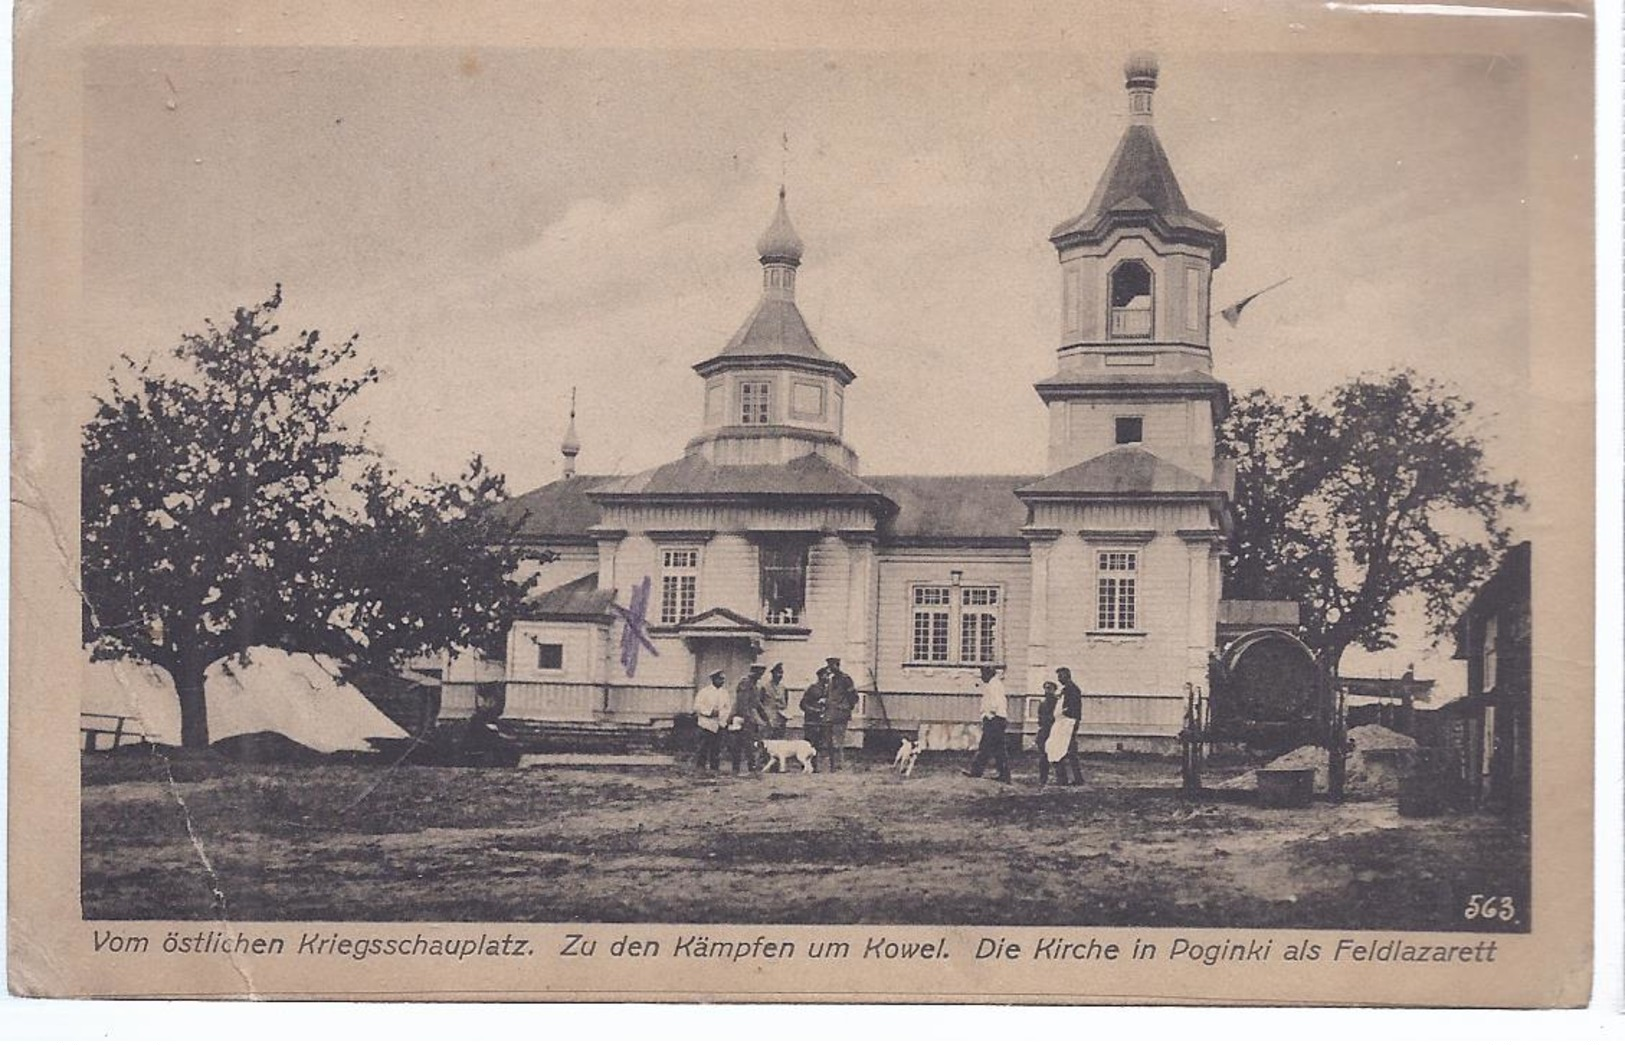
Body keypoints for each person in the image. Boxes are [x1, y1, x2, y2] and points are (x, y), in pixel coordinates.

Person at [963, 665, 1011, 783]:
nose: (982, 677)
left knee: (985, 747)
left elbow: (994, 703)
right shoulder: (994, 684)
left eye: (983, 674)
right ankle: (1004, 775)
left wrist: (989, 716)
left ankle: (976, 772)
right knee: (998, 749)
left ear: (989, 674)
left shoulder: (994, 685)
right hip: (997, 720)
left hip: (994, 719)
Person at [730, 664, 770, 774]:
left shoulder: (754, 685)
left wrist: (765, 717)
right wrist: (749, 719)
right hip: (740, 718)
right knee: (740, 744)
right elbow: (743, 703)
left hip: (749, 718)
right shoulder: (745, 683)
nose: (761, 676)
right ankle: (737, 768)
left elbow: (757, 703)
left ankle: (751, 768)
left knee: (749, 743)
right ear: (754, 673)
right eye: (759, 674)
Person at [824, 656, 859, 773]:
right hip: (830, 714)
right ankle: (832, 765)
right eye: (829, 666)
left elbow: (853, 696)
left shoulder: (846, 679)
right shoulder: (831, 679)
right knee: (829, 741)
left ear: (837, 665)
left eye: (832, 666)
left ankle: (840, 765)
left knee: (839, 741)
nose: (830, 668)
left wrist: (847, 708)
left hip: (840, 714)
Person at [692, 669, 729, 772]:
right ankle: (700, 767)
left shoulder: (724, 693)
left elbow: (727, 708)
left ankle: (714, 768)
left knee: (716, 748)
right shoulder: (704, 692)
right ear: (714, 679)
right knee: (703, 747)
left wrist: (722, 716)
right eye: (720, 679)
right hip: (706, 724)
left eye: (723, 679)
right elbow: (697, 706)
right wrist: (709, 712)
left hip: (718, 724)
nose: (722, 681)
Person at [1033, 680, 1069, 786]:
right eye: (1045, 688)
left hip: (1055, 731)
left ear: (1054, 690)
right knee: (1043, 757)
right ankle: (1043, 779)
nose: (1047, 691)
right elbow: (1040, 719)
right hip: (1044, 732)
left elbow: (1059, 717)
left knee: (1057, 756)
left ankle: (1062, 780)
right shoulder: (1042, 704)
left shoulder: (1058, 703)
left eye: (1049, 688)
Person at [1055, 666, 1086, 786]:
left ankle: (1073, 779)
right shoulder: (1067, 689)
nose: (1059, 679)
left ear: (1067, 676)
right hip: (1066, 722)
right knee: (1068, 750)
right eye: (1058, 676)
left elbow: (1072, 708)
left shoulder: (1072, 690)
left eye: (1060, 676)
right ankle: (1072, 778)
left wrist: (1061, 712)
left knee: (1068, 750)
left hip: (1069, 723)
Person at [799, 666, 831, 772]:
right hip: (811, 721)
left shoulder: (828, 689)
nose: (828, 677)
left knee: (818, 745)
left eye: (828, 675)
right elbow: (803, 704)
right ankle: (805, 765)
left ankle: (815, 766)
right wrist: (813, 710)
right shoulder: (812, 688)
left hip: (822, 721)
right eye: (826, 675)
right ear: (820, 676)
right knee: (808, 744)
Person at [762, 663, 790, 739]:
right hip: (769, 719)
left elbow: (785, 703)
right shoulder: (765, 687)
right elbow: (760, 703)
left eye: (781, 673)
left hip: (781, 720)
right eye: (778, 673)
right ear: (773, 674)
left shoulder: (783, 688)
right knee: (768, 742)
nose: (780, 675)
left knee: (780, 741)